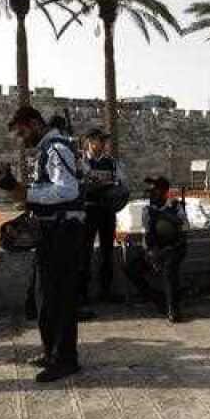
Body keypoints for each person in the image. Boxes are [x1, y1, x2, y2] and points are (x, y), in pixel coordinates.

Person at [0, 105, 87, 382]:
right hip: (50, 233)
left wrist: (28, 193)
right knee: (44, 296)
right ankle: (52, 353)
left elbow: (67, 190)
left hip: (63, 233)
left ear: (35, 123)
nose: (22, 139)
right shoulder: (48, 149)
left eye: (23, 132)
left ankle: (65, 359)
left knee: (59, 298)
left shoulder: (57, 148)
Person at [124, 176, 188, 323]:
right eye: (151, 191)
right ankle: (157, 299)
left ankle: (173, 308)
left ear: (164, 192)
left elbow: (184, 229)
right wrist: (151, 254)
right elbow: (147, 235)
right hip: (156, 250)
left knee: (169, 267)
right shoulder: (148, 211)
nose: (152, 194)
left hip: (174, 249)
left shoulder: (176, 207)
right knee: (131, 269)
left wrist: (164, 215)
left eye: (156, 191)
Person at [78, 129, 126, 311]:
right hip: (88, 211)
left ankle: (106, 290)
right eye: (100, 140)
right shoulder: (81, 162)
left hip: (107, 210)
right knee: (84, 251)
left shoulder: (111, 163)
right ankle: (82, 292)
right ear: (90, 141)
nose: (103, 144)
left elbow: (120, 183)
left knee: (107, 250)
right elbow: (79, 186)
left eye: (104, 140)